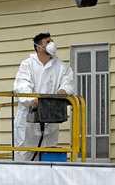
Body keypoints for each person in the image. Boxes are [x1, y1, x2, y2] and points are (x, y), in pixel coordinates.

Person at [13, 32, 76, 161]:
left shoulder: (61, 66)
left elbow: (68, 82)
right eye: (47, 42)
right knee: (25, 154)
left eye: (51, 40)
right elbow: (22, 85)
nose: (51, 44)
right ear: (38, 47)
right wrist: (32, 100)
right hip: (28, 119)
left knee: (48, 154)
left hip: (50, 119)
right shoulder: (27, 64)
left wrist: (63, 90)